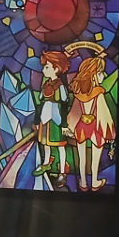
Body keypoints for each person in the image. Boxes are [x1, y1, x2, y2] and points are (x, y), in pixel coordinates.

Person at [64, 55, 115, 191]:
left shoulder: (79, 94)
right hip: (95, 128)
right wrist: (109, 133)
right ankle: (94, 182)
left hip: (81, 126)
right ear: (93, 76)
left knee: (82, 157)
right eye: (100, 73)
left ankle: (83, 182)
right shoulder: (98, 94)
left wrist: (71, 128)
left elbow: (74, 113)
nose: (103, 75)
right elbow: (103, 115)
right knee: (95, 158)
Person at [32, 50, 70, 188]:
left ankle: (61, 172)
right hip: (44, 118)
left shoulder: (60, 86)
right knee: (45, 144)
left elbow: (64, 104)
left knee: (60, 146)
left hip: (56, 119)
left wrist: (64, 124)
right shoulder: (46, 85)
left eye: (46, 67)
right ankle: (46, 163)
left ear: (56, 68)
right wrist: (37, 121)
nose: (43, 70)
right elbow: (40, 104)